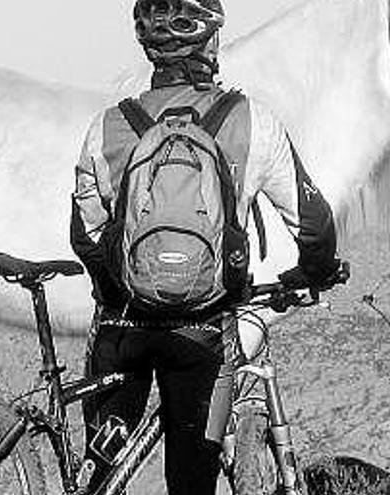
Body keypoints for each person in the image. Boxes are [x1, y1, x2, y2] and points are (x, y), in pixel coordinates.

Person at [69, 1, 340, 493]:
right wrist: (316, 271)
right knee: (193, 483)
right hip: (204, 335)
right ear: (212, 43)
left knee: (100, 478)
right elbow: (314, 224)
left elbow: (85, 236)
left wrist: (122, 292)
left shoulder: (106, 128)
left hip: (122, 331)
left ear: (148, 48)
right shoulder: (252, 122)